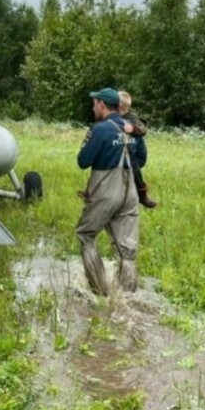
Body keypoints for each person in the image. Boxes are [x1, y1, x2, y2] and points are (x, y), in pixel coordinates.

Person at [76, 87, 147, 296]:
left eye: (94, 103)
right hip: (130, 192)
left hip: (106, 189)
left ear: (102, 105)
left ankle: (99, 293)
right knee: (126, 251)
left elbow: (83, 161)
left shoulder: (100, 129)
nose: (93, 107)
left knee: (86, 236)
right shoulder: (132, 128)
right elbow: (141, 160)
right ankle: (128, 298)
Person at [118, 90, 158, 209]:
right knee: (130, 160)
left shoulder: (132, 118)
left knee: (133, 161)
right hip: (122, 154)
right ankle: (141, 194)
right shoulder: (110, 118)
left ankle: (141, 192)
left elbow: (144, 129)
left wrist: (133, 129)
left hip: (137, 154)